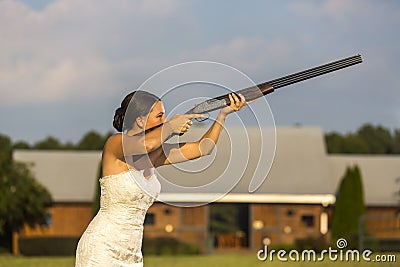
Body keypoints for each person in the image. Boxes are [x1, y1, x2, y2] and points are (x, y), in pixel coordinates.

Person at [75, 90, 247, 266]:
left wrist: (222, 115)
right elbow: (147, 144)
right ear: (140, 120)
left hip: (132, 253)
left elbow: (203, 148)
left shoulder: (155, 154)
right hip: (101, 248)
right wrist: (172, 127)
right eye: (159, 116)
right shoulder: (116, 142)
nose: (164, 120)